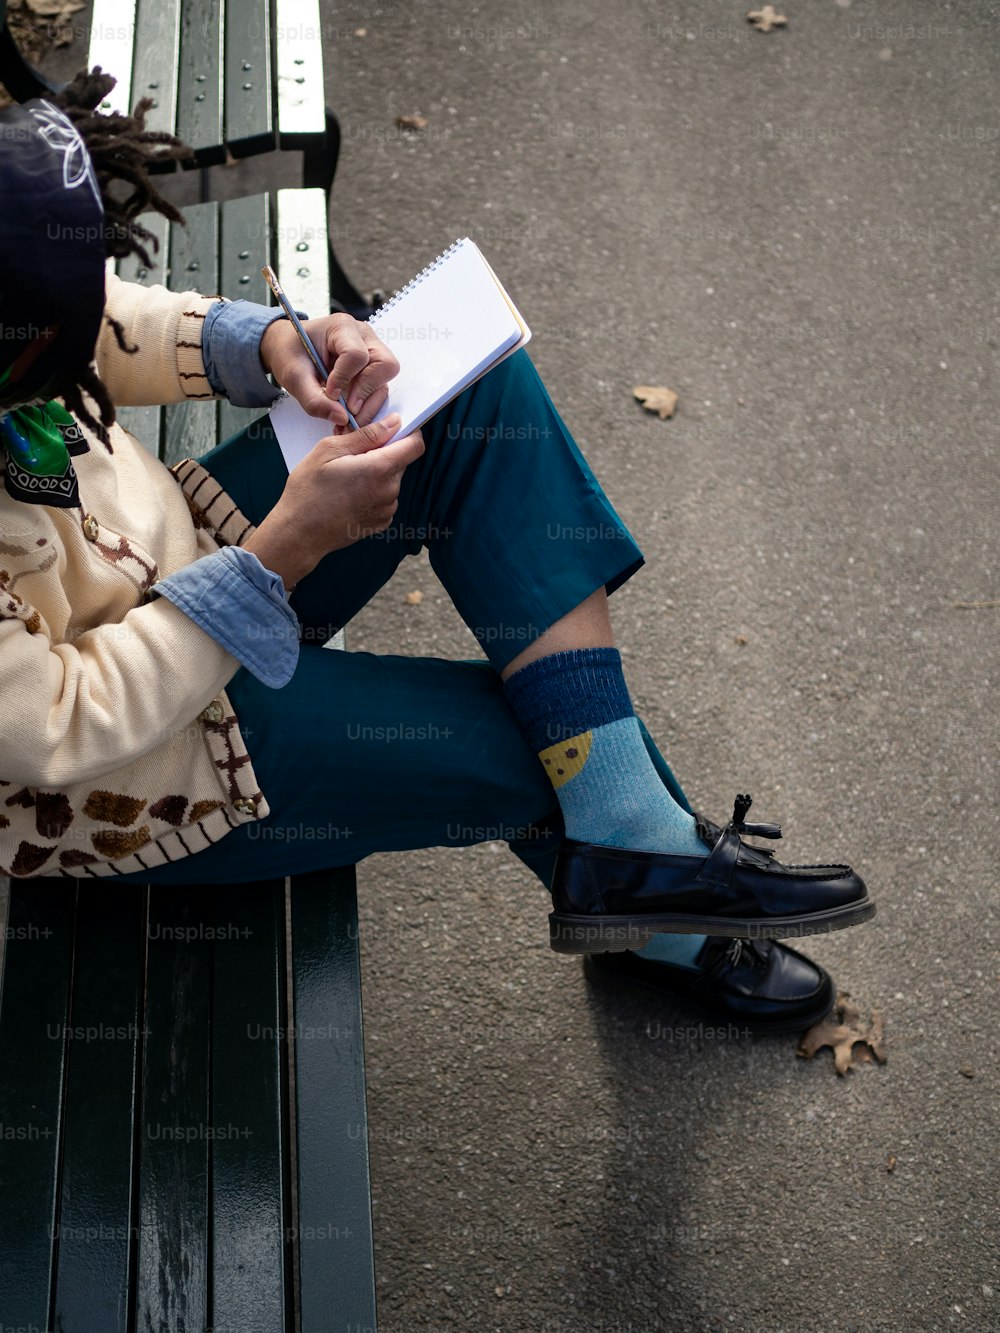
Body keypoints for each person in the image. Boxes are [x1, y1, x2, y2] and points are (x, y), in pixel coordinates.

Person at [0, 70, 874, 1037]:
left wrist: (275, 342)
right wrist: (282, 553)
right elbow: (61, 724)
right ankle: (649, 898)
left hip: (185, 560)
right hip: (132, 772)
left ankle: (636, 849)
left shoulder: (28, 323)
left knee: (465, 388)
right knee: (541, 750)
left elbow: (94, 315)